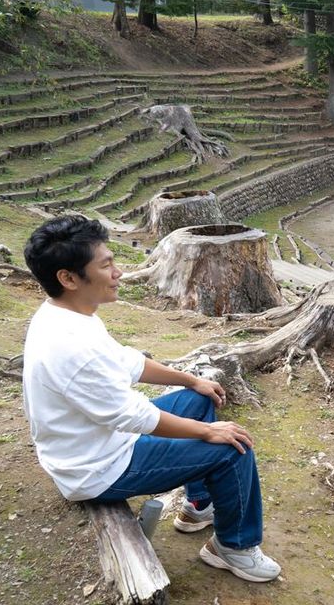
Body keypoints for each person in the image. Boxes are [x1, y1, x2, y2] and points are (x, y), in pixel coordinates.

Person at [20, 216, 280, 583]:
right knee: (232, 446)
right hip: (96, 467)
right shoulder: (70, 346)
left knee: (197, 399)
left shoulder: (69, 314)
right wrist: (207, 434)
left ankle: (197, 507)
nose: (118, 272)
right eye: (106, 264)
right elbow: (135, 416)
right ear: (69, 278)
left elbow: (129, 362)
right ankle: (234, 547)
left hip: (98, 440)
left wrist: (193, 380)